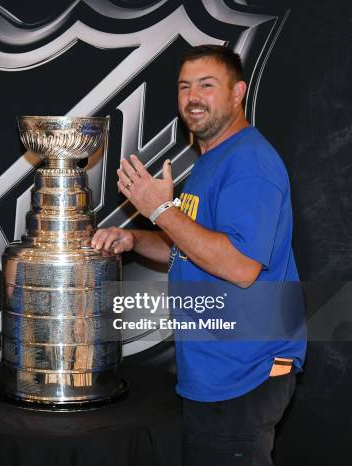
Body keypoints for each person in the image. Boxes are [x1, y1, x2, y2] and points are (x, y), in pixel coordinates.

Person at [92, 45, 306, 465]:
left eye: (207, 86)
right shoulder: (209, 161)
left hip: (245, 375)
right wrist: (135, 238)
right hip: (213, 374)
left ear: (238, 92)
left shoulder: (249, 163)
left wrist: (160, 210)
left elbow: (240, 267)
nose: (193, 97)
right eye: (185, 86)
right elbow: (191, 247)